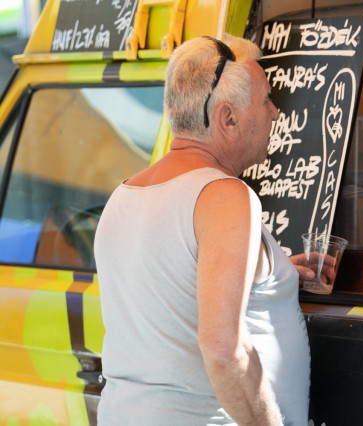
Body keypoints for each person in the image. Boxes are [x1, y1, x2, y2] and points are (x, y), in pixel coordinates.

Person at [94, 34, 314, 426]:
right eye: (266, 99)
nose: (276, 112)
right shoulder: (225, 195)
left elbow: (174, 284)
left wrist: (272, 275)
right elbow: (224, 350)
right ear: (228, 118)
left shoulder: (122, 197)